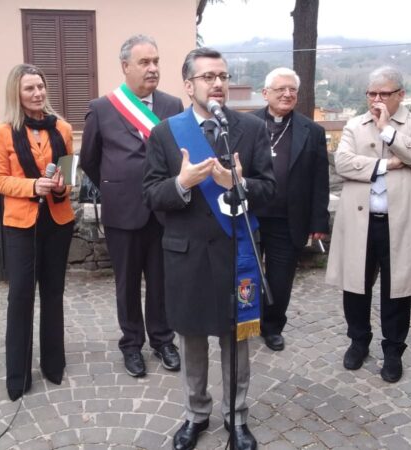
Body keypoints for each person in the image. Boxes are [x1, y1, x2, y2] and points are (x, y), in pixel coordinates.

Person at [143, 47, 275, 450]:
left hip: (236, 254)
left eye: (222, 75)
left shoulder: (250, 129)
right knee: (193, 339)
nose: (217, 83)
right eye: (207, 77)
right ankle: (196, 414)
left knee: (236, 339)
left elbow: (269, 190)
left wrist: (238, 183)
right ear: (188, 85)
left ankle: (236, 418)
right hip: (187, 256)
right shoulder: (165, 133)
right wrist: (182, 183)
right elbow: (151, 194)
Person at [325, 66, 411, 383]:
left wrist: (388, 131)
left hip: (400, 221)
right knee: (355, 285)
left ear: (400, 95)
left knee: (397, 289)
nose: (376, 100)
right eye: (371, 94)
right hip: (360, 220)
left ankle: (393, 351)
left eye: (384, 94)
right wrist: (388, 163)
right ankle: (358, 341)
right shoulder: (354, 125)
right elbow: (343, 163)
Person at [80, 35, 183, 377]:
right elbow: (91, 161)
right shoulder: (102, 108)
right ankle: (131, 344)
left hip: (164, 210)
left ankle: (163, 339)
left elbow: (179, 157)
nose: (153, 68)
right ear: (125, 66)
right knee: (126, 283)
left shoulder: (171, 106)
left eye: (156, 61)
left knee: (161, 280)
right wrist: (118, 186)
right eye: (144, 62)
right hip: (122, 212)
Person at [0, 64, 74, 401]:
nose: (37, 93)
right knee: (20, 297)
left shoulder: (63, 128)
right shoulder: (1, 131)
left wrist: (58, 187)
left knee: (53, 294)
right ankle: (18, 375)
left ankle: (53, 365)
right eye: (29, 88)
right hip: (21, 225)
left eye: (41, 86)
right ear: (17, 93)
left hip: (58, 221)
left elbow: (69, 177)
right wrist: (31, 186)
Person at [251, 67, 330, 351]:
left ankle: (272, 327)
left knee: (280, 279)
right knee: (244, 272)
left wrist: (319, 221)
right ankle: (242, 321)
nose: (287, 94)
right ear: (265, 93)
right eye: (280, 89)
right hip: (251, 216)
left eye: (292, 90)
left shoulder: (313, 131)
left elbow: (320, 180)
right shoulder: (245, 124)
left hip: (288, 218)